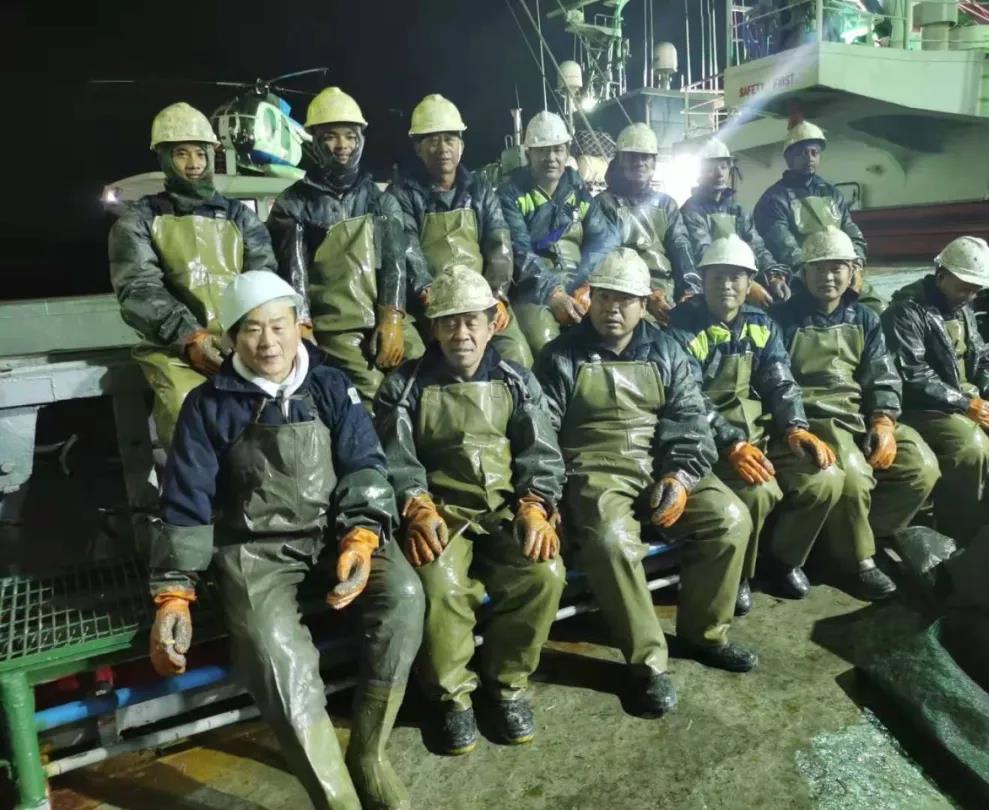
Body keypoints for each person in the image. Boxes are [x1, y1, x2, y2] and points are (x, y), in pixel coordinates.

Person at [147, 272, 423, 810]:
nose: (268, 343)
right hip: (256, 551)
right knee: (275, 655)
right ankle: (336, 797)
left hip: (337, 535)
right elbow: (186, 499)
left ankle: (370, 753)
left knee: (405, 597)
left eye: (279, 326)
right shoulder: (208, 405)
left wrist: (362, 534)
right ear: (231, 337)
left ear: (300, 326)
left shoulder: (330, 384)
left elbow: (364, 462)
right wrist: (174, 591)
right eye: (251, 329)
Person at [533, 247, 756, 719]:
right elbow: (541, 435)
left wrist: (681, 475)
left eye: (625, 300)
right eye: (604, 297)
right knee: (612, 541)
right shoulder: (559, 356)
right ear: (590, 299)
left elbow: (691, 419)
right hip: (593, 469)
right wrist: (546, 498)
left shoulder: (666, 349)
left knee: (730, 518)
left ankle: (704, 635)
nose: (612, 309)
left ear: (643, 304)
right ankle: (647, 663)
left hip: (660, 462)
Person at [374, 265, 565, 754]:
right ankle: (451, 699)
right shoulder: (403, 386)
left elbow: (541, 453)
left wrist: (535, 505)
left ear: (492, 322)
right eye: (449, 322)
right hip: (441, 514)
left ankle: (508, 686)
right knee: (439, 587)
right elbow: (395, 460)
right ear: (434, 329)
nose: (462, 333)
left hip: (505, 512)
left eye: (471, 321)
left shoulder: (517, 380)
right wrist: (416, 505)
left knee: (543, 574)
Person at [668, 235, 844, 609]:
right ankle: (738, 575)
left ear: (750, 282)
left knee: (825, 477)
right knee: (759, 490)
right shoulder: (681, 328)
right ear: (702, 279)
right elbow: (688, 398)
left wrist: (795, 427)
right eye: (717, 276)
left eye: (735, 277)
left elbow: (780, 381)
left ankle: (782, 562)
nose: (726, 285)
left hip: (759, 435)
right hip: (709, 441)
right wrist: (731, 442)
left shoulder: (761, 324)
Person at [771, 228, 940, 600]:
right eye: (818, 268)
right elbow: (776, 380)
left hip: (859, 413)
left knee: (921, 466)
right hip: (813, 415)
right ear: (803, 272)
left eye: (837, 268)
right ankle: (857, 560)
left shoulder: (865, 317)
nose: (828, 277)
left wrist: (883, 419)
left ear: (852, 271)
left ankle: (849, 539)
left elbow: (881, 373)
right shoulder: (781, 319)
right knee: (852, 473)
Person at [109, 102, 276, 447]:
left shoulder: (241, 218)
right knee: (187, 413)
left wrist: (251, 339)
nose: (194, 163)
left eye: (200, 153)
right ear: (164, 158)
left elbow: (263, 280)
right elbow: (138, 288)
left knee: (270, 418)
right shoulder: (138, 220)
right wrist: (188, 337)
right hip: (174, 351)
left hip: (240, 344)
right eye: (181, 154)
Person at [882, 236, 989, 539]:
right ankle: (956, 527)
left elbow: (981, 357)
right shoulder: (906, 311)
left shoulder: (961, 306)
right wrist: (964, 404)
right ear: (941, 275)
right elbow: (912, 374)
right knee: (971, 446)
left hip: (968, 397)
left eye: (975, 289)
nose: (970, 295)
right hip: (924, 406)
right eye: (964, 287)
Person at [267, 87, 423, 409]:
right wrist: (303, 327)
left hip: (383, 317)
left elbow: (395, 262)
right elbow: (293, 273)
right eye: (330, 137)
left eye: (350, 136)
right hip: (335, 328)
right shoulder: (293, 204)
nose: (342, 146)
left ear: (361, 139)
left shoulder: (381, 201)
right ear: (314, 140)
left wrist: (393, 319)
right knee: (375, 394)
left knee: (424, 374)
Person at [388, 93, 532, 367]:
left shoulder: (480, 189)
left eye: (449, 139)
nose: (442, 148)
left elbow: (499, 243)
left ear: (461, 146)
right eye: (432, 140)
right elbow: (406, 245)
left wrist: (497, 296)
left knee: (516, 354)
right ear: (418, 148)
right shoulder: (403, 194)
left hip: (479, 300)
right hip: (430, 304)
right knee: (417, 363)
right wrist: (425, 290)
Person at [498, 111, 607, 355]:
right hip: (532, 292)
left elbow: (601, 240)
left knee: (607, 336)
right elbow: (520, 251)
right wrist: (552, 293)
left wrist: (588, 284)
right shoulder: (511, 195)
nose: (551, 158)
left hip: (580, 284)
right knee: (546, 344)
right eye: (542, 150)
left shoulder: (579, 192)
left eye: (557, 149)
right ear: (529, 154)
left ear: (567, 152)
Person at [752, 121, 886, 313]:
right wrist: (815, 274)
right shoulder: (774, 199)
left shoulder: (832, 194)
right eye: (802, 153)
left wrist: (855, 267)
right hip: (801, 276)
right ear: (789, 158)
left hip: (841, 270)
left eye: (814, 153)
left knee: (877, 308)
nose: (809, 158)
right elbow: (785, 248)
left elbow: (853, 234)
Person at [577, 123, 698, 326]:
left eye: (645, 157)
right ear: (620, 161)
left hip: (666, 291)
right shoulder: (604, 204)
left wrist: (690, 290)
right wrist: (647, 296)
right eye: (632, 156)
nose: (639, 162)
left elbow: (680, 247)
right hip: (623, 292)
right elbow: (605, 258)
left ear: (654, 162)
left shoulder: (666, 204)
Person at [680, 137, 789, 306]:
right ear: (699, 173)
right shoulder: (691, 210)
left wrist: (773, 275)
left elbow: (757, 246)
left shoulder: (737, 210)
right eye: (711, 169)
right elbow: (704, 254)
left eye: (723, 167)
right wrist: (748, 286)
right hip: (716, 287)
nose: (719, 174)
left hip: (742, 280)